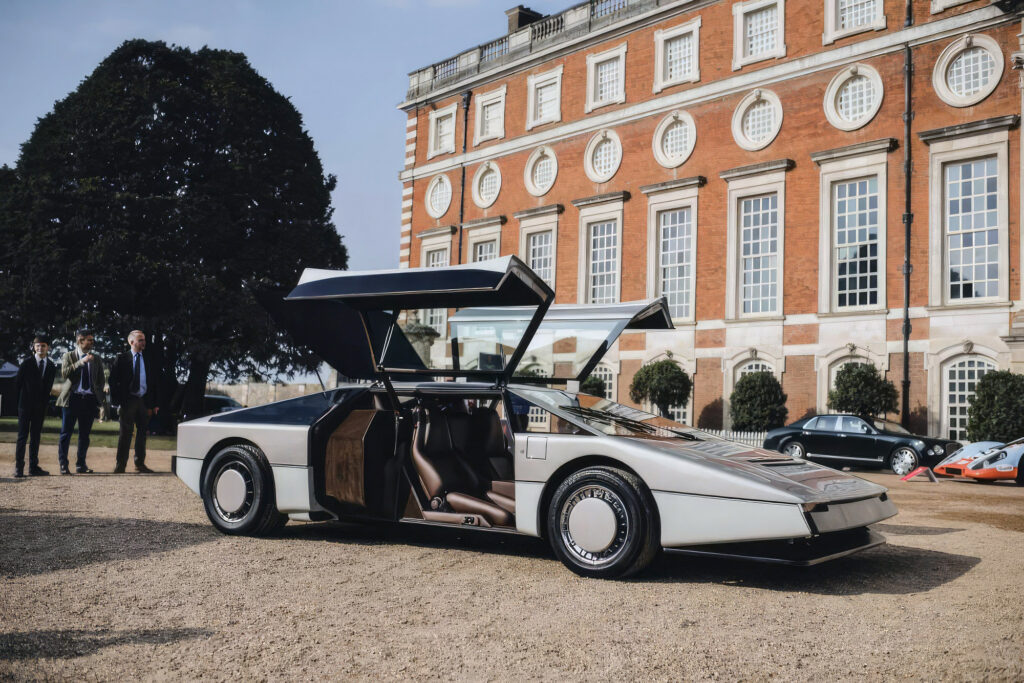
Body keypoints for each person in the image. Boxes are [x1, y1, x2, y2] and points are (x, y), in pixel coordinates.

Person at [109, 330, 161, 473]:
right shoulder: (121, 358)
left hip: (144, 400)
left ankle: (140, 464)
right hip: (128, 400)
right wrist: (116, 401)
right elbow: (113, 381)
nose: (143, 342)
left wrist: (155, 403)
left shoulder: (149, 359)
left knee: (142, 433)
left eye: (144, 340)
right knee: (125, 433)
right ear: (131, 342)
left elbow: (154, 382)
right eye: (140, 340)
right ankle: (120, 465)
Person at [56, 330, 106, 475]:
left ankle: (81, 464)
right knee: (66, 433)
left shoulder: (96, 359)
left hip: (89, 401)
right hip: (72, 399)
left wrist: (99, 398)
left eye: (92, 340)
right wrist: (80, 362)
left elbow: (101, 380)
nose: (92, 343)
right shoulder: (69, 355)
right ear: (80, 340)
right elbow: (65, 373)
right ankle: (63, 465)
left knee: (85, 435)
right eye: (89, 340)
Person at [13, 336, 57, 478]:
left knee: (36, 437)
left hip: (40, 407)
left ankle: (33, 467)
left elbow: (48, 387)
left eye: (43, 346)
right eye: (37, 345)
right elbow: (18, 383)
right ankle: (19, 468)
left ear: (48, 347)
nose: (40, 348)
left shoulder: (51, 365)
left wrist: (44, 404)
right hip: (25, 406)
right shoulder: (26, 363)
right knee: (22, 437)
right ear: (33, 347)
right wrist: (21, 402)